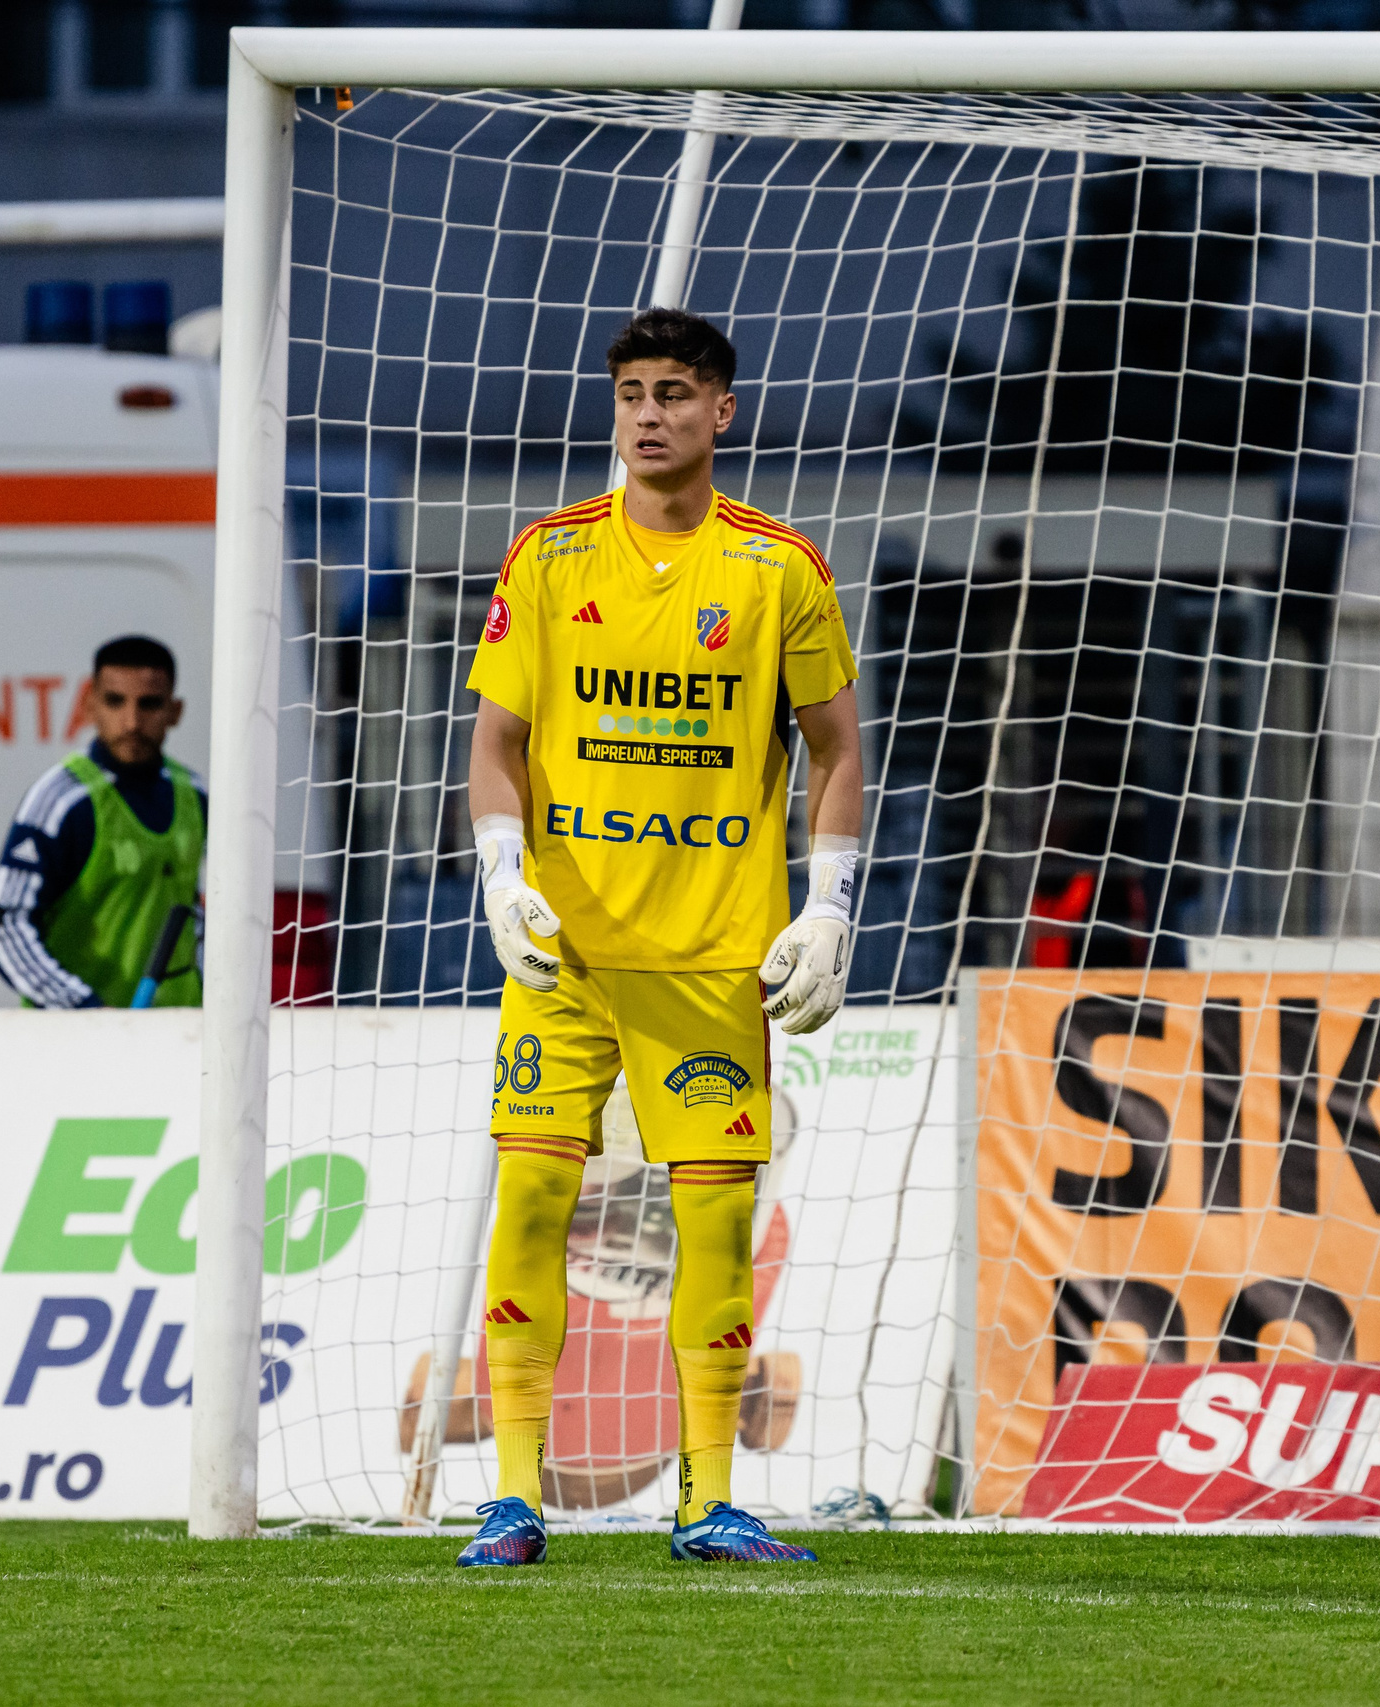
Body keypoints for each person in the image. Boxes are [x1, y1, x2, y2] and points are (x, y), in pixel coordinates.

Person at [457, 307, 860, 1569]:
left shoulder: (779, 567)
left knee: (717, 1226)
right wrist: (497, 873)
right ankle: (513, 1498)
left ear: (720, 412)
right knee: (529, 1201)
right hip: (567, 958)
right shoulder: (550, 557)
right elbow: (494, 744)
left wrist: (831, 901)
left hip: (707, 963)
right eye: (632, 390)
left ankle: (707, 1501)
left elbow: (839, 749)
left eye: (675, 392)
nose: (648, 413)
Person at [0, 635, 205, 1008]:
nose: (131, 722)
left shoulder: (194, 793)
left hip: (180, 1036)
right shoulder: (61, 799)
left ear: (175, 711)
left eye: (149, 704)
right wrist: (82, 1009)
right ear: (89, 705)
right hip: (79, 1043)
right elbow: (6, 926)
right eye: (115, 702)